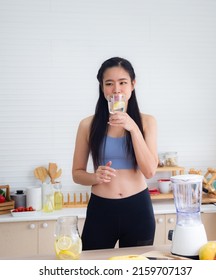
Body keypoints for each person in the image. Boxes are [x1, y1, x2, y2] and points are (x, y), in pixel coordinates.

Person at [72, 57, 158, 250]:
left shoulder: (147, 123)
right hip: (101, 210)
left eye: (123, 82)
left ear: (133, 85)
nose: (116, 89)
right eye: (109, 83)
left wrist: (133, 128)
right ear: (102, 88)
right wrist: (95, 177)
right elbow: (77, 174)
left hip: (138, 209)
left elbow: (150, 171)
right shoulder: (87, 125)